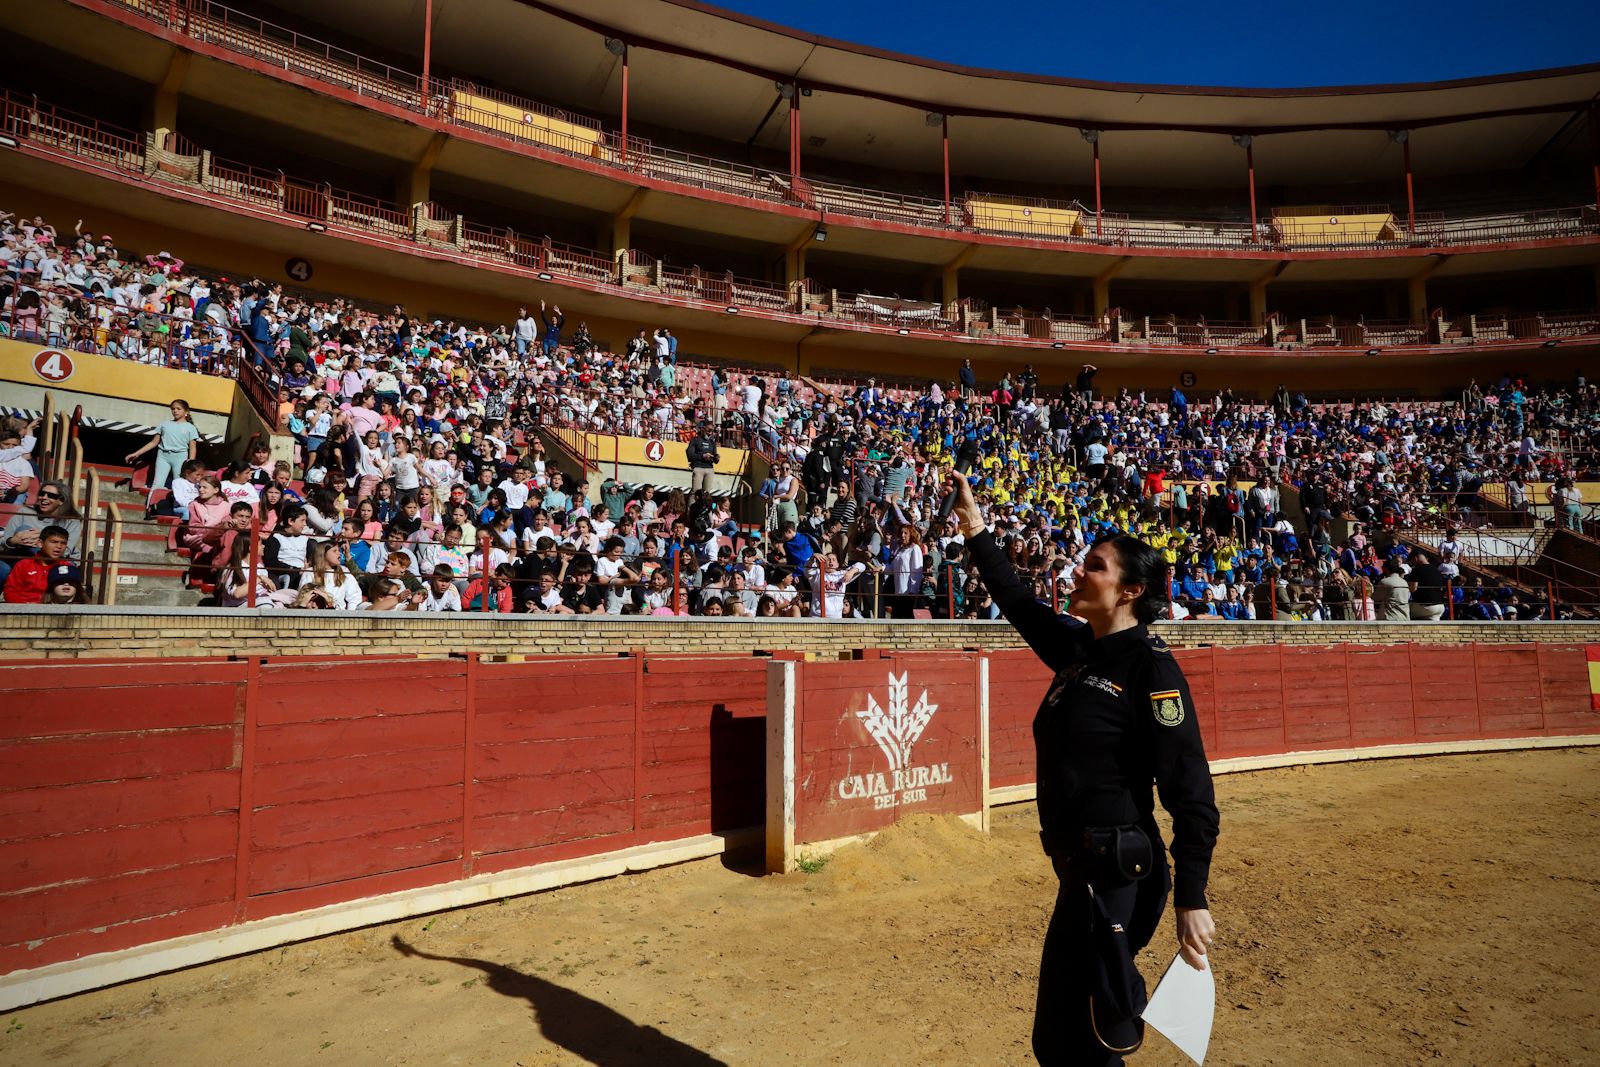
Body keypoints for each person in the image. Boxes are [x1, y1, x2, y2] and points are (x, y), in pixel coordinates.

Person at [948, 469, 1218, 1066]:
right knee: (1067, 1039)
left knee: (1085, 1041)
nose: (1078, 570)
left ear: (1128, 591)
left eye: (1095, 565)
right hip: (1085, 870)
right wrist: (975, 527)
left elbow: (1190, 789)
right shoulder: (1079, 649)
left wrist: (1192, 895)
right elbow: (1016, 599)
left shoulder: (1152, 670)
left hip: (1120, 875)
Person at [124, 399, 199, 500]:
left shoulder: (190, 428)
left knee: (179, 483)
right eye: (173, 409)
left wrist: (190, 462)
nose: (175, 411)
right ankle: (151, 506)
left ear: (186, 411)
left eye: (178, 409)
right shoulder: (164, 424)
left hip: (180, 457)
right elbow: (153, 442)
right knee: (157, 483)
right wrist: (137, 453)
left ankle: (177, 508)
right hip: (163, 456)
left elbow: (193, 447)